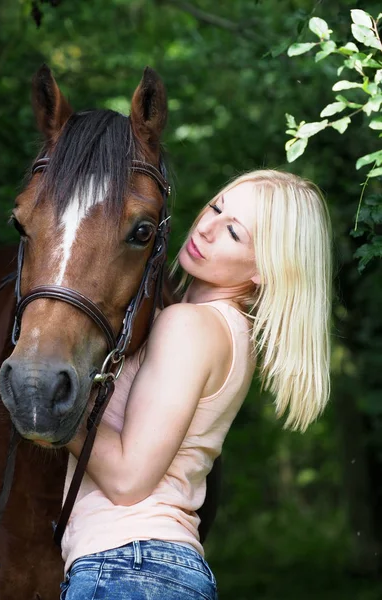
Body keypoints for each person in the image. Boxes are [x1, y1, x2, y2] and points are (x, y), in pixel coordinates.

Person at [59, 169, 332, 600]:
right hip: (147, 569)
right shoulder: (227, 330)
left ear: (266, 269)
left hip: (129, 566)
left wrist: (54, 409)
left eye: (233, 233)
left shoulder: (189, 325)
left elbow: (130, 480)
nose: (205, 227)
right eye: (216, 207)